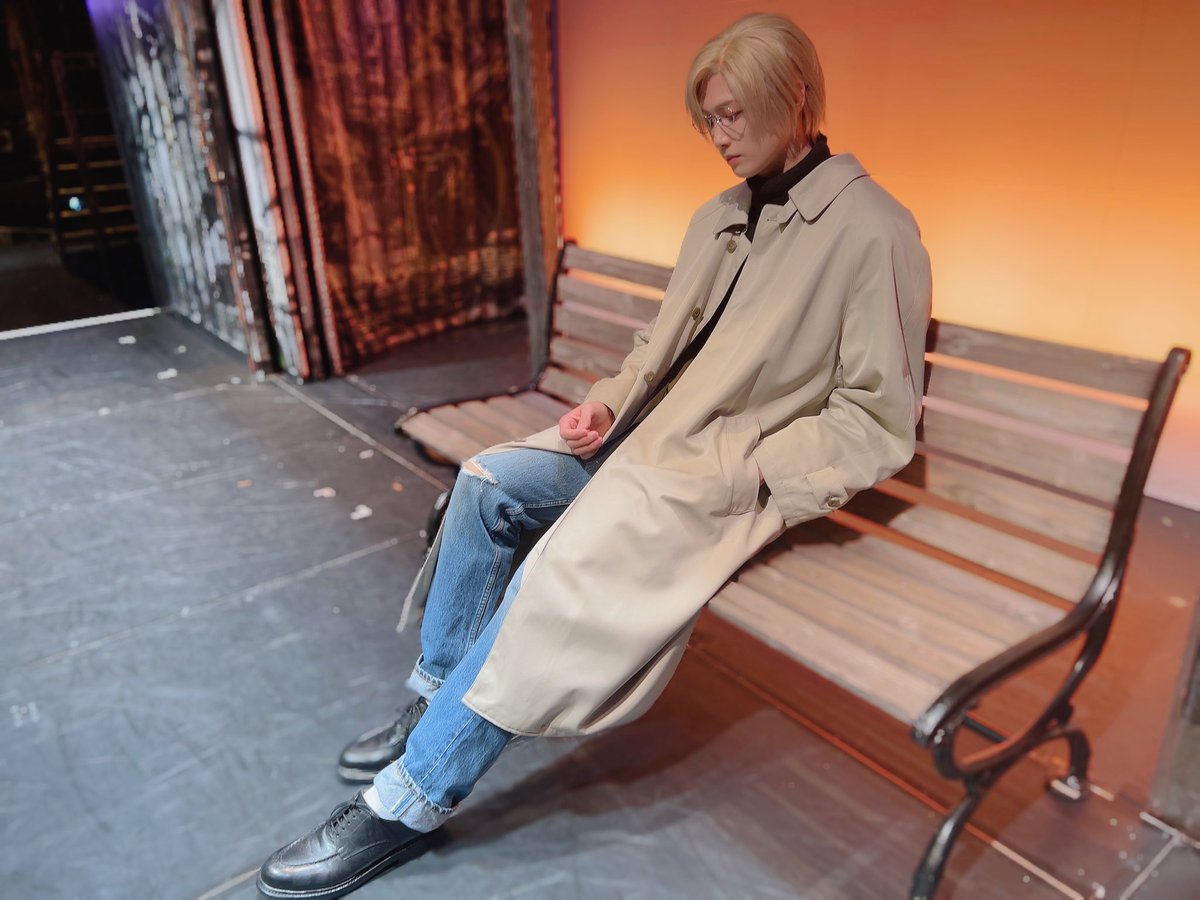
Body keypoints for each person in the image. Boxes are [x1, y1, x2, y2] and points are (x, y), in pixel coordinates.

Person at [257, 12, 931, 898]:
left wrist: (753, 468)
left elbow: (878, 418)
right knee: (486, 483)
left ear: (794, 95)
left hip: (711, 479)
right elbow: (662, 344)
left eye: (732, 114)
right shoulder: (720, 215)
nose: (720, 137)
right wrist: (609, 400)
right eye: (709, 120)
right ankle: (435, 703)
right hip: (637, 442)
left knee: (560, 571)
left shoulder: (873, 229)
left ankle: (409, 798)